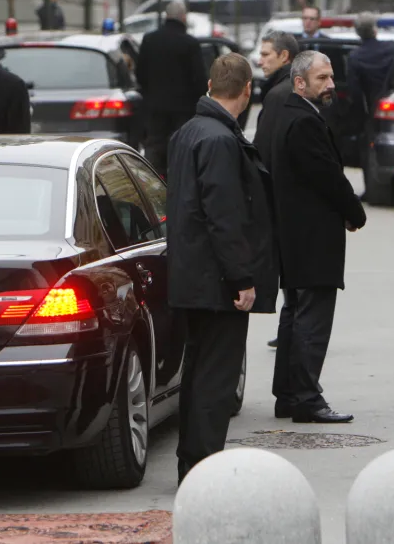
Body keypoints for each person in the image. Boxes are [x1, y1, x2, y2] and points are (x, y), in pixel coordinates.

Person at [167, 52, 277, 484]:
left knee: (198, 374)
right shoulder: (220, 139)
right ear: (247, 90)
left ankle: (192, 464)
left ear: (211, 86)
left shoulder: (190, 131)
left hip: (192, 275)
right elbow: (224, 215)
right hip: (215, 280)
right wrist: (242, 278)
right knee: (215, 380)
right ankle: (203, 470)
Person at [270, 51, 366, 424]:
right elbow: (328, 176)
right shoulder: (304, 121)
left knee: (296, 314)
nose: (330, 85)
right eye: (322, 79)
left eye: (331, 77)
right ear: (299, 83)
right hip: (311, 239)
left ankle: (289, 395)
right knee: (311, 319)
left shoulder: (290, 113)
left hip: (296, 235)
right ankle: (306, 399)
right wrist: (354, 212)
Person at [253, 30, 300, 350]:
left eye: (266, 54)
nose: (260, 60)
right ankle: (291, 328)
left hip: (283, 198)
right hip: (289, 197)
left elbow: (265, 152)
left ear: (284, 56)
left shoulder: (279, 94)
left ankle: (292, 329)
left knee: (291, 272)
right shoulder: (286, 88)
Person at [136, 0, 208, 178]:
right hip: (183, 111)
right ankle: (179, 183)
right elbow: (199, 80)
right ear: (183, 17)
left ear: (166, 16)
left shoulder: (149, 40)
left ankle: (153, 184)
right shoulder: (190, 43)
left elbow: (140, 74)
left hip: (155, 108)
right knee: (182, 151)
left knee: (154, 148)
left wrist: (150, 94)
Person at [348, 13, 394, 120]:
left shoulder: (355, 56)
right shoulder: (393, 47)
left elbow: (355, 91)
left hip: (373, 108)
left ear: (358, 33)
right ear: (375, 30)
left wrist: (361, 115)